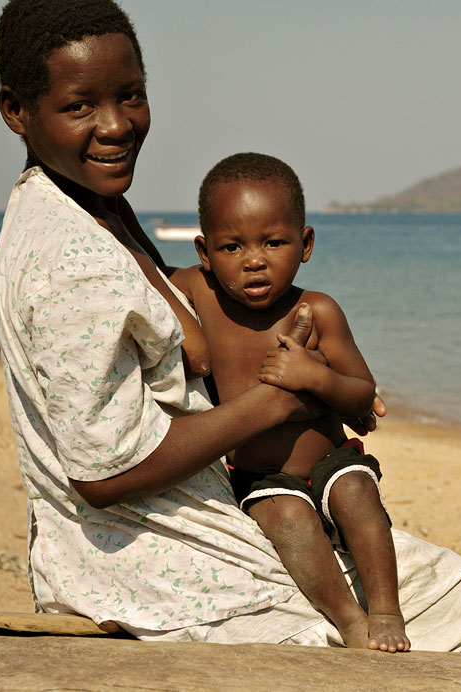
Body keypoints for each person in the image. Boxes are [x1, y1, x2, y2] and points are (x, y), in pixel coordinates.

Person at [0, 0, 461, 653]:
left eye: (131, 96)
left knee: (437, 581)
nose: (116, 125)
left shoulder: (95, 205)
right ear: (16, 111)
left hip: (199, 523)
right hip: (153, 567)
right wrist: (273, 402)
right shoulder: (70, 260)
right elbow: (102, 474)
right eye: (79, 107)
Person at [167, 152, 407, 652]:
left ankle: (385, 609)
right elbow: (142, 270)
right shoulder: (200, 292)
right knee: (286, 521)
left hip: (330, 461)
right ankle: (349, 621)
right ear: (205, 252)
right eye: (231, 246)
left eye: (274, 242)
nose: (254, 259)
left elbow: (361, 391)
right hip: (261, 478)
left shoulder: (317, 310)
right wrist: (187, 327)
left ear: (306, 244)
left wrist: (315, 376)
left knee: (359, 496)